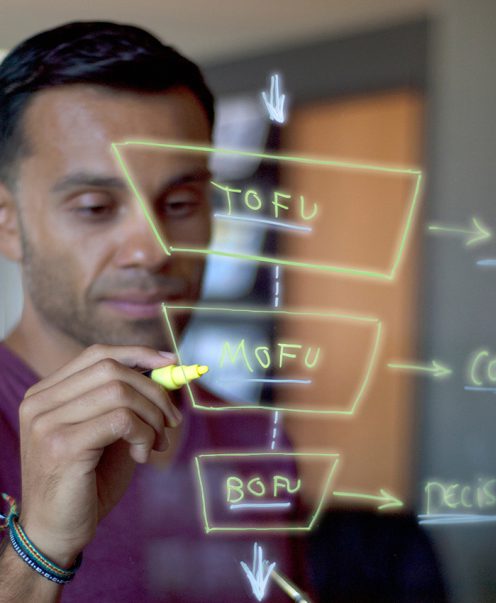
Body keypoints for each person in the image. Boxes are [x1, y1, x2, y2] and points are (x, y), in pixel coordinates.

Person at [0, 22, 303, 602]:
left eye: (183, 203)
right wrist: (38, 550)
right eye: (95, 206)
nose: (155, 248)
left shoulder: (255, 440)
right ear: (8, 221)